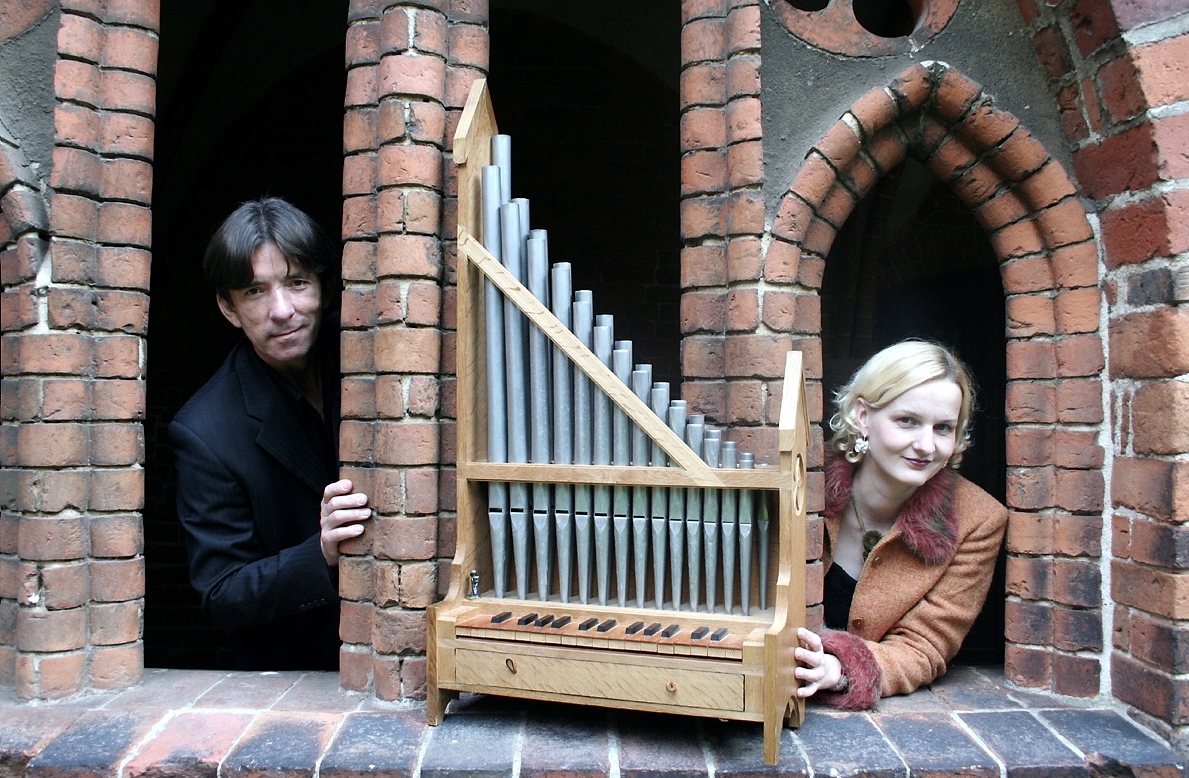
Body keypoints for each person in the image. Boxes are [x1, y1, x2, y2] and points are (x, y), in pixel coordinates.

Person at [170, 197, 371, 670]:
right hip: (298, 672)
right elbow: (222, 594)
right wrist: (319, 553)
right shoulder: (203, 430)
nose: (283, 310)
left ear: (322, 287)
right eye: (256, 292)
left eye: (297, 283)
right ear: (229, 308)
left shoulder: (376, 354)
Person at [793, 340, 1007, 709]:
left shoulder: (979, 520)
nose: (926, 445)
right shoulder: (803, 481)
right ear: (862, 417)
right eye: (907, 421)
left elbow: (925, 647)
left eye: (943, 428)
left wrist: (843, 667)